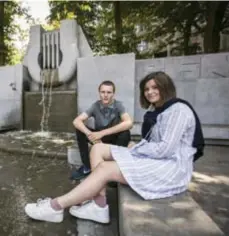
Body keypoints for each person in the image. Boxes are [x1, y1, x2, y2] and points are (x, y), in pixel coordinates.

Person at [24, 71, 204, 224]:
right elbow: (77, 121)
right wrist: (91, 135)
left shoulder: (178, 110)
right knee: (97, 149)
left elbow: (163, 150)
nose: (150, 92)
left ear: (166, 88)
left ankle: (56, 207)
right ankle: (99, 205)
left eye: (155, 88)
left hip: (170, 168)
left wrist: (134, 148)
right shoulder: (156, 111)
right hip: (154, 158)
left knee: (106, 167)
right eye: (147, 89)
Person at [71, 80, 132, 180]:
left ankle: (117, 167)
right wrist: (91, 135)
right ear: (99, 93)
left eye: (109, 92)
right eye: (103, 92)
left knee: (125, 133)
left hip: (114, 139)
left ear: (113, 94)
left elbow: (129, 123)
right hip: (99, 139)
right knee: (80, 130)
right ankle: (87, 167)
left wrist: (101, 133)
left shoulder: (118, 105)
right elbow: (76, 121)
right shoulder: (95, 106)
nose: (105, 95)